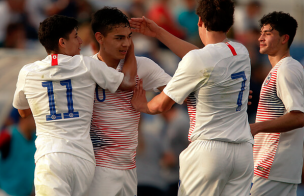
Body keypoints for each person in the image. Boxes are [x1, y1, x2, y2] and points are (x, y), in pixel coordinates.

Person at [130, 0, 254, 195]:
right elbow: (203, 57)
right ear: (230, 24)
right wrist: (160, 32)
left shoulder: (198, 60)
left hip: (209, 149)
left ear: (199, 21)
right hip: (243, 152)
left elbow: (161, 105)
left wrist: (142, 105)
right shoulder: (241, 52)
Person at [12, 14, 137, 196]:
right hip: (83, 160)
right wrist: (130, 48)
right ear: (62, 42)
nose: (80, 41)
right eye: (76, 36)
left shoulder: (28, 71)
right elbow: (127, 83)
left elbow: (22, 112)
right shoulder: (87, 64)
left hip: (51, 157)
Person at [88, 7, 172, 196]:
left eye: (129, 37)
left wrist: (149, 107)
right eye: (119, 38)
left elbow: (178, 93)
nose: (126, 43)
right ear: (99, 37)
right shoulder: (86, 70)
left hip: (130, 169)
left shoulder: (143, 65)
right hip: (97, 169)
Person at [250, 12, 304, 196]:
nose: (260, 37)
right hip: (274, 167)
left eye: (268, 33)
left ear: (284, 38)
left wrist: (256, 127)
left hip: (273, 166)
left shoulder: (287, 68)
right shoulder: (281, 69)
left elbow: (299, 116)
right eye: (261, 32)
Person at [0, 112, 36, 196]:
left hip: (26, 193)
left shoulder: (38, 140)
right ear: (24, 116)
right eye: (34, 117)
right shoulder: (7, 136)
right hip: (6, 192)